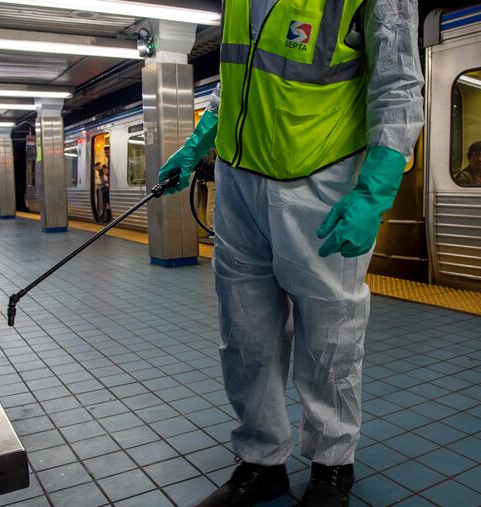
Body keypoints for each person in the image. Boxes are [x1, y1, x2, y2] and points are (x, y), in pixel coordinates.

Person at [157, 0, 424, 505]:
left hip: (320, 179)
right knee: (244, 334)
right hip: (238, 182)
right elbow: (238, 76)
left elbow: (398, 85)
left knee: (330, 336)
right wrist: (199, 141)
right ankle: (261, 461)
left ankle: (331, 464)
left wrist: (375, 191)